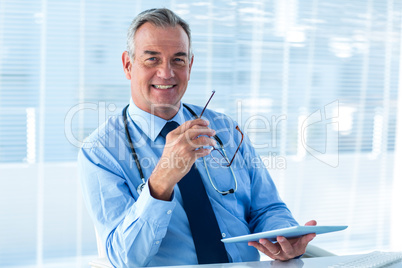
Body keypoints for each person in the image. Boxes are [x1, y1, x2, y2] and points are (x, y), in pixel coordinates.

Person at [78, 8, 316, 267]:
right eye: (152, 60)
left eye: (178, 60)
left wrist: (284, 237)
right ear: (127, 65)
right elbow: (124, 258)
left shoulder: (225, 129)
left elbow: (268, 209)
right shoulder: (100, 151)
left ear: (190, 65)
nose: (167, 73)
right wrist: (161, 181)